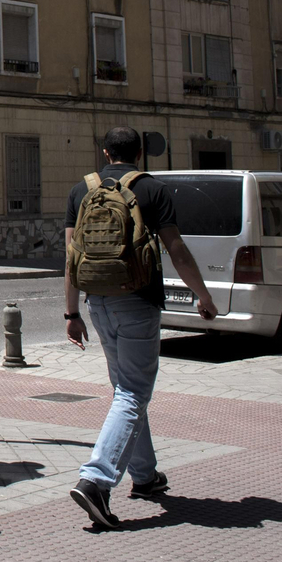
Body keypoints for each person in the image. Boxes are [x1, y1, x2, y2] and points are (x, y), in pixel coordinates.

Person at [65, 126, 218, 530]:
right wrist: (202, 295)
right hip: (138, 301)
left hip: (97, 302)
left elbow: (71, 258)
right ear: (140, 154)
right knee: (133, 392)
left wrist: (70, 314)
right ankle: (96, 480)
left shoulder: (82, 190)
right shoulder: (152, 189)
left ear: (104, 151)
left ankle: (145, 476)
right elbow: (176, 248)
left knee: (126, 389)